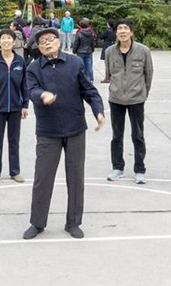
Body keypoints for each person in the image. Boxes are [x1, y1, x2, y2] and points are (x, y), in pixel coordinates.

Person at [23, 27, 105, 241]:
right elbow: (31, 90)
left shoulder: (75, 63)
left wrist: (98, 112)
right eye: (42, 42)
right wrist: (42, 94)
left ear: (59, 42)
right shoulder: (33, 68)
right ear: (38, 47)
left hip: (75, 129)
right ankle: (37, 223)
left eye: (50, 39)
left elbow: (89, 91)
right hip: (48, 131)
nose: (46, 43)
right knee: (43, 178)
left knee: (76, 178)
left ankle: (73, 223)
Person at [102, 19, 153, 184]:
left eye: (126, 28)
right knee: (116, 136)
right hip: (115, 99)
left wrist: (142, 94)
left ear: (131, 32)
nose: (122, 31)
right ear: (116, 32)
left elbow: (148, 75)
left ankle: (140, 170)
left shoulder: (143, 51)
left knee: (138, 135)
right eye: (119, 28)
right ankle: (118, 168)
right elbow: (109, 73)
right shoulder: (109, 51)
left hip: (136, 99)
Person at [0, 28, 29, 184]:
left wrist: (25, 105)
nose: (6, 41)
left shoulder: (20, 61)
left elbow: (25, 85)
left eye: (9, 38)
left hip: (16, 107)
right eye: (3, 38)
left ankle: (15, 171)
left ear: (14, 42)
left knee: (14, 140)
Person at [72, 18, 97, 82]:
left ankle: (82, 79)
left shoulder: (79, 33)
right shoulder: (91, 33)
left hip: (80, 51)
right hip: (89, 51)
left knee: (80, 66)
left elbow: (76, 43)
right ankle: (91, 79)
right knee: (89, 66)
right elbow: (92, 42)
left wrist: (74, 50)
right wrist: (92, 49)